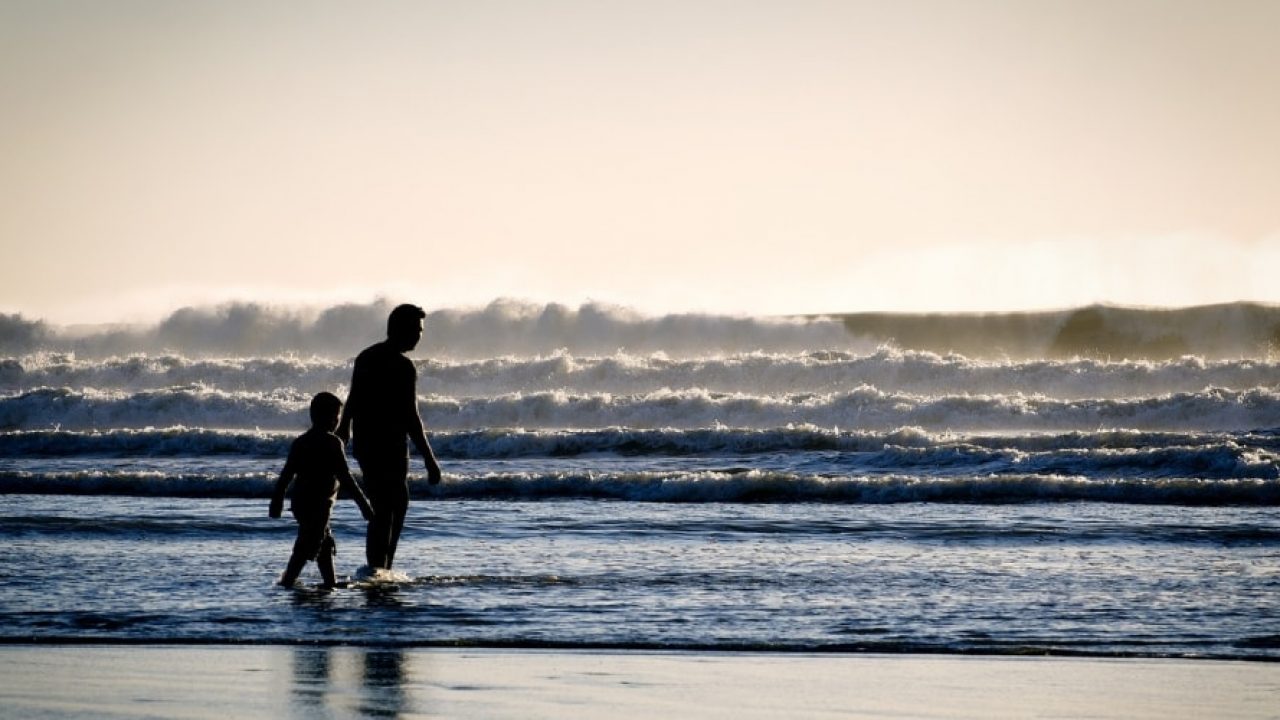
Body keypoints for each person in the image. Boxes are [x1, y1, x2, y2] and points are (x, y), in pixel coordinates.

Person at [338, 303, 442, 572]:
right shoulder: (402, 366)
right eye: (417, 330)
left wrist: (344, 427)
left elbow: (353, 399)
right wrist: (430, 461)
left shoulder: (367, 357)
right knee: (388, 508)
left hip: (369, 443)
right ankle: (378, 569)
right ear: (401, 329)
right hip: (386, 445)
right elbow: (411, 417)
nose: (420, 336)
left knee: (392, 506)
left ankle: (381, 567)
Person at [270, 391, 374, 587]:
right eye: (335, 416)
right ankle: (288, 581)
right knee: (307, 544)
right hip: (319, 504)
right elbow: (346, 478)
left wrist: (277, 500)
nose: (337, 421)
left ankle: (329, 582)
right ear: (320, 416)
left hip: (300, 503)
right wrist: (364, 505)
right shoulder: (332, 443)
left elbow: (286, 476)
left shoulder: (301, 442)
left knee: (323, 543)